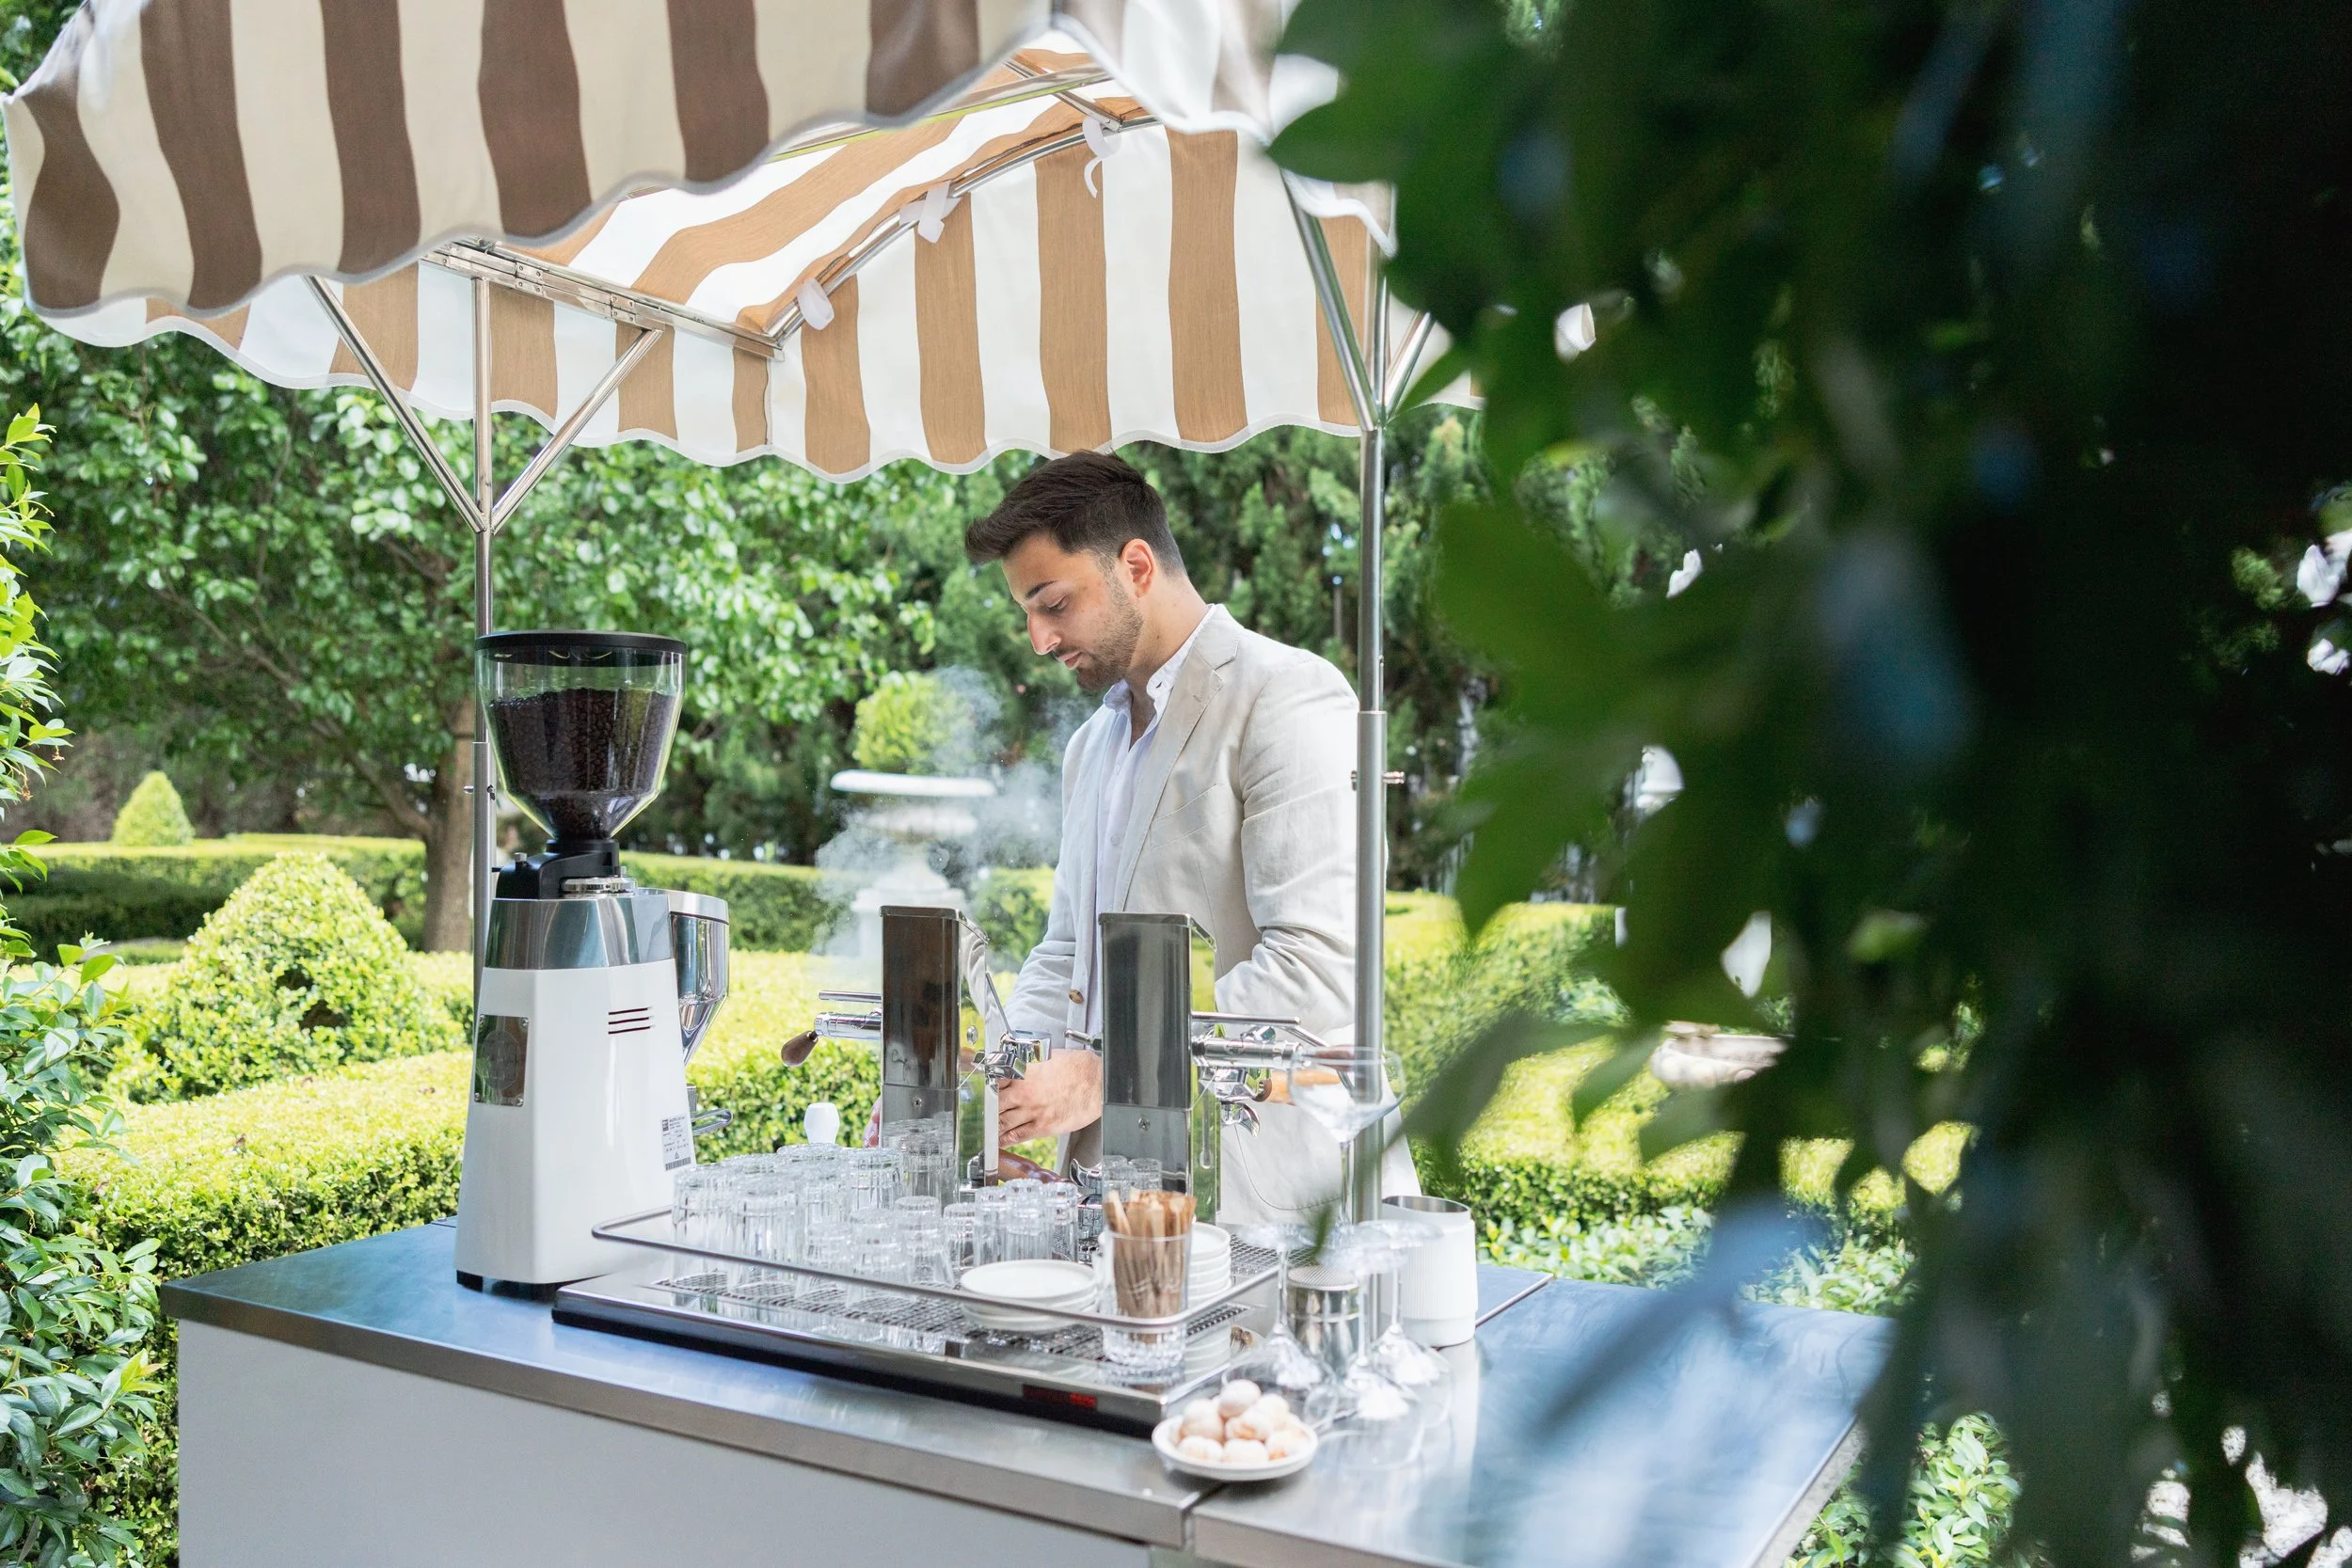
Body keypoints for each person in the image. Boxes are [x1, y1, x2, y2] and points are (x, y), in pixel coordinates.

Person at [964, 451, 1416, 1223]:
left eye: (1053, 603)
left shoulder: (1287, 696)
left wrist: (1107, 1071)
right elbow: (1069, 952)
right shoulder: (1092, 745)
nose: (1038, 639)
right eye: (1027, 614)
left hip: (1270, 1206)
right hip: (1113, 1206)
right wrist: (995, 1086)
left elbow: (1318, 970)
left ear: (1135, 565)